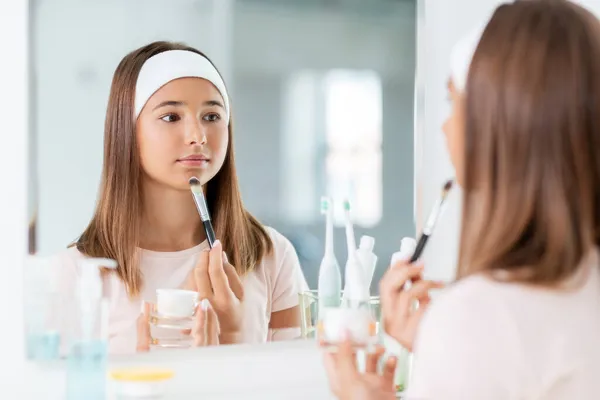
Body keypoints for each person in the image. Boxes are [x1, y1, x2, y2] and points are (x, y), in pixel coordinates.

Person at [324, 1, 600, 399]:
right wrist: (438, 348)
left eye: (453, 101)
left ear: (497, 123)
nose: (444, 124)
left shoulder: (478, 318)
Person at [51, 41, 306, 354]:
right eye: (171, 117)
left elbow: (302, 382)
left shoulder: (271, 255)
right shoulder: (79, 274)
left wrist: (236, 341)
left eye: (212, 116)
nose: (197, 136)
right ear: (127, 132)